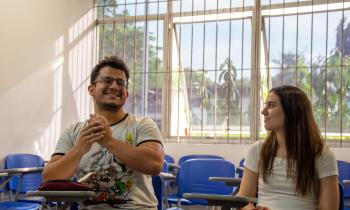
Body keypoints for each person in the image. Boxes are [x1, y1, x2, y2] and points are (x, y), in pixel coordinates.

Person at [42, 55, 164, 209]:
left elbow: (154, 164)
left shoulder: (143, 125)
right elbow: (49, 178)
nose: (114, 86)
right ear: (91, 89)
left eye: (121, 83)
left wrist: (110, 142)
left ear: (126, 94)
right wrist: (79, 149)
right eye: (107, 81)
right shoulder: (73, 132)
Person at [238, 85, 339, 210]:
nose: (263, 111)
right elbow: (243, 201)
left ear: (292, 111)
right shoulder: (257, 150)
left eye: (271, 105)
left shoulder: (321, 154)